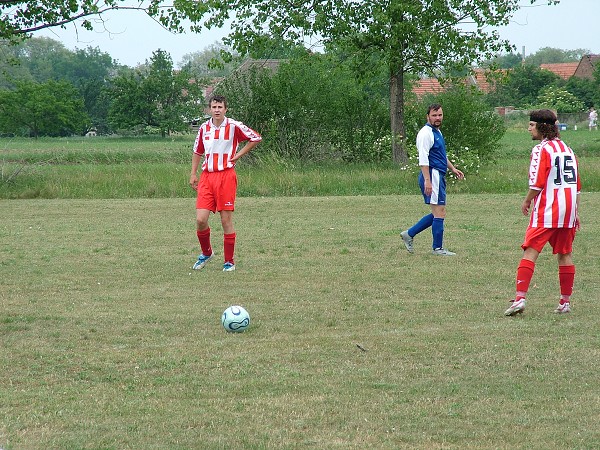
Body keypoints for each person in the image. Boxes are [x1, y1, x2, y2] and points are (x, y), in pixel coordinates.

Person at [505, 109, 581, 316]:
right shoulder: (568, 149)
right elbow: (577, 184)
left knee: (530, 250)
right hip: (568, 210)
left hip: (548, 209)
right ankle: (565, 302)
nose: (528, 128)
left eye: (531, 125)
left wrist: (527, 200)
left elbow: (537, 182)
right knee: (565, 253)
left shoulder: (541, 150)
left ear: (541, 127)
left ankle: (520, 298)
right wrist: (576, 212)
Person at [190, 94, 262, 272]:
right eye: (213, 107)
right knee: (200, 219)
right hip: (207, 177)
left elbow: (256, 138)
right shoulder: (204, 128)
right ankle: (207, 253)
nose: (216, 110)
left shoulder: (233, 125)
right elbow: (197, 151)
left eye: (220, 107)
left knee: (225, 220)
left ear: (225, 109)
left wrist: (238, 155)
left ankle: (229, 261)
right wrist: (193, 173)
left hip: (226, 176)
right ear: (209, 109)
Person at [400, 103, 464, 256]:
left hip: (437, 175)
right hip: (432, 175)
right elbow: (423, 159)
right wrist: (428, 181)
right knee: (439, 212)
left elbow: (440, 155)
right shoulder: (425, 133)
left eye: (440, 115)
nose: (437, 118)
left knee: (438, 213)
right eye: (434, 115)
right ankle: (438, 249)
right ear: (427, 116)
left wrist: (452, 168)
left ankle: (409, 234)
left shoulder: (437, 131)